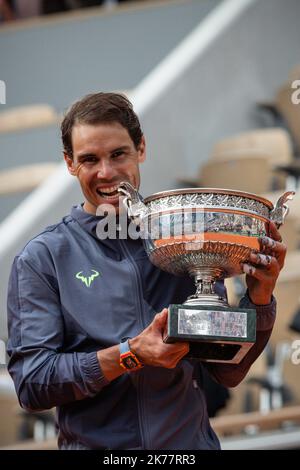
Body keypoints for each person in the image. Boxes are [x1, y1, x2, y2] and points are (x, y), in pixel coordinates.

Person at [7, 92, 286, 450]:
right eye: (89, 159)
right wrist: (130, 354)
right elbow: (33, 384)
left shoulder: (188, 236)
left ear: (141, 148)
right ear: (69, 163)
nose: (106, 172)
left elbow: (227, 370)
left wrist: (259, 299)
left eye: (118, 154)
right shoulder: (42, 259)